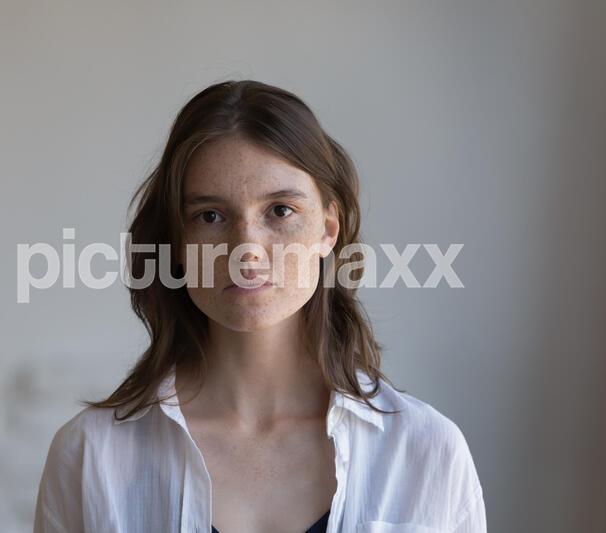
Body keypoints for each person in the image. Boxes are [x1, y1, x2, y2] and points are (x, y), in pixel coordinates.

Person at [33, 80, 486, 533]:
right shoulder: (90, 455)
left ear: (328, 228)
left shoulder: (427, 452)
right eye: (211, 216)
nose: (246, 250)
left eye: (280, 211)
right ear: (175, 242)